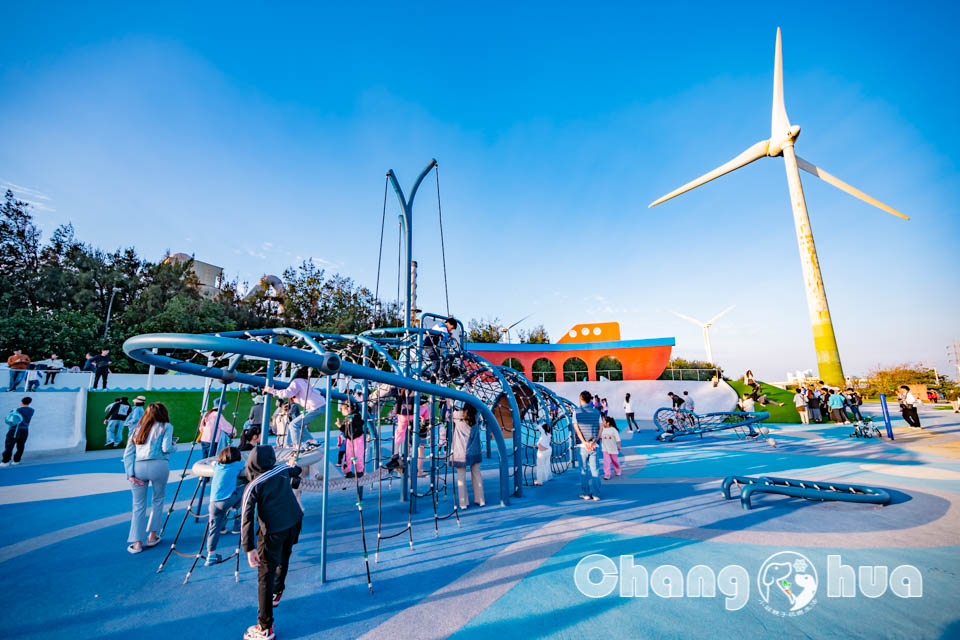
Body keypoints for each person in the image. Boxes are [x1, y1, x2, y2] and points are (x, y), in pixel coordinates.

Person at [241, 445, 304, 640]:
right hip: (294, 520)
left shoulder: (253, 485)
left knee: (264, 575)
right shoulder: (282, 469)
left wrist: (249, 547)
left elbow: (247, 517)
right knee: (284, 557)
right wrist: (292, 465)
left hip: (273, 530)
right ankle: (277, 591)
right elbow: (297, 471)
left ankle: (265, 627)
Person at [122, 402, 175, 553]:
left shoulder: (138, 428)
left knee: (138, 505)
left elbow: (128, 453)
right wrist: (174, 446)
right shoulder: (166, 426)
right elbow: (167, 448)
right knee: (158, 500)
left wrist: (129, 474)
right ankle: (152, 536)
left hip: (139, 466)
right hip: (159, 465)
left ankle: (137, 543)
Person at [263, 367, 325, 448]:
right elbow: (303, 397)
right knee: (300, 424)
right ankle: (312, 441)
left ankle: (297, 445)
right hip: (321, 404)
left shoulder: (296, 381)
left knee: (293, 425)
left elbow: (287, 393)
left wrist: (272, 391)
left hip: (315, 406)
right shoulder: (305, 382)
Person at [206, 446, 245, 566]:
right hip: (227, 500)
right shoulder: (236, 465)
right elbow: (247, 465)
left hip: (213, 503)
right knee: (245, 487)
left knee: (213, 530)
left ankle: (210, 555)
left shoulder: (217, 466)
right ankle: (234, 509)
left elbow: (212, 462)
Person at [450, 404, 484, 509]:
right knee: (477, 475)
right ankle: (480, 500)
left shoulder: (457, 416)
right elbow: (479, 409)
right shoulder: (476, 416)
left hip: (460, 451)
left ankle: (463, 503)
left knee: (461, 477)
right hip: (474, 450)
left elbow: (449, 412)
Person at [573, 390, 602, 501]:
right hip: (594, 445)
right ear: (590, 399)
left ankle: (586, 493)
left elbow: (577, 429)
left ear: (581, 398)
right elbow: (601, 428)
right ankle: (596, 494)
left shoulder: (576, 412)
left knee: (583, 470)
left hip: (582, 446)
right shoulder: (597, 412)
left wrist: (584, 442)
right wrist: (594, 441)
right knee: (595, 470)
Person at [1, 397, 34, 466]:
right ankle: (16, 460)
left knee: (9, 445)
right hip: (25, 430)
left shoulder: (17, 410)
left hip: (14, 430)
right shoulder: (32, 410)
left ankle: (5, 461)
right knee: (21, 446)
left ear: (22, 402)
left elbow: (10, 419)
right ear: (29, 402)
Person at [337, 400, 365, 478]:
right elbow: (343, 429)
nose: (341, 412)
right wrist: (339, 425)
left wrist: (351, 417)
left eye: (342, 409)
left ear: (348, 409)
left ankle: (359, 471)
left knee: (358, 454)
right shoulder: (346, 418)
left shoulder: (356, 415)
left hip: (357, 439)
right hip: (349, 439)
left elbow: (359, 422)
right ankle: (347, 471)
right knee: (348, 455)